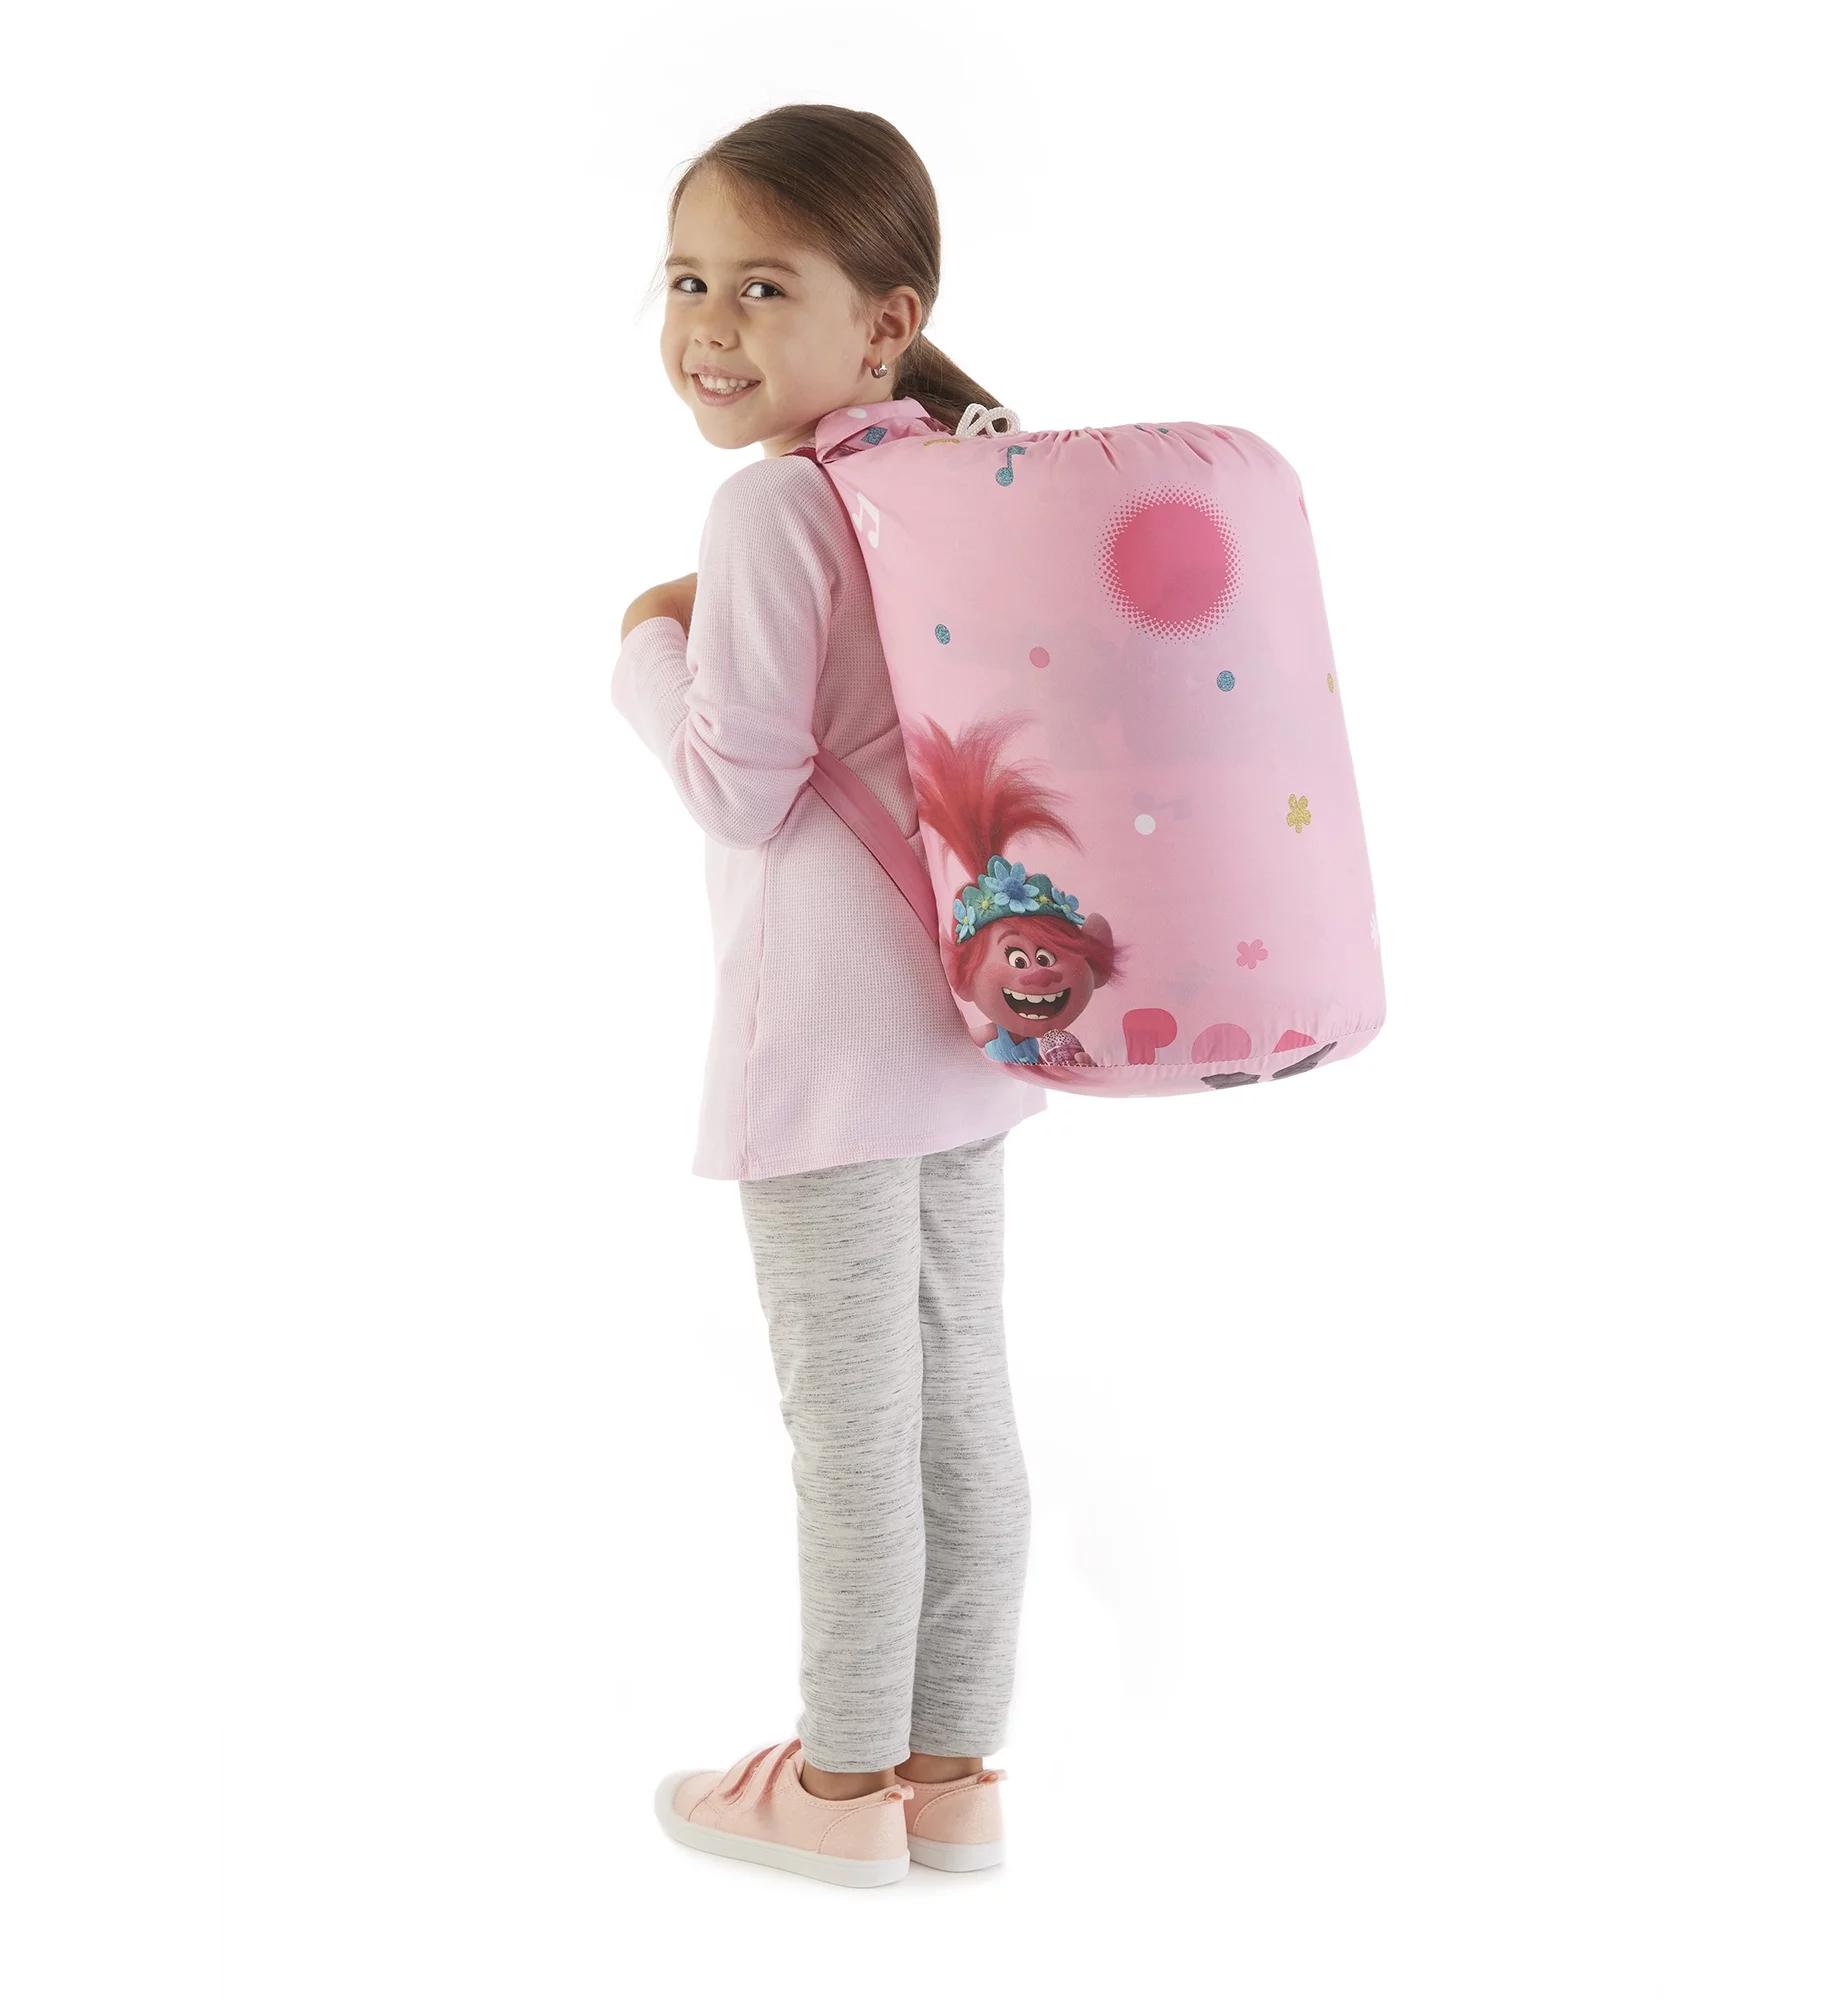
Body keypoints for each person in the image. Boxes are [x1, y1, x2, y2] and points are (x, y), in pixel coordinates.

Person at [609, 105, 1042, 1888]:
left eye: (763, 286)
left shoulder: (777, 504)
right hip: (967, 1023)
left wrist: (645, 642)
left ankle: (842, 1788)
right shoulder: (951, 479)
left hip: (825, 1050)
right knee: (960, 1412)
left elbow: (739, 787)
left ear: (886, 318)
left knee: (853, 1432)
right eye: (687, 280)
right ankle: (954, 1773)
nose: (710, 325)